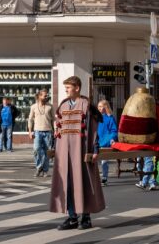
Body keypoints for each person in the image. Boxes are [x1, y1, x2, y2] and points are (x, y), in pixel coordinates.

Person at [50, 76, 105, 230]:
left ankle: (86, 217)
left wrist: (95, 148)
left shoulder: (86, 105)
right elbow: (58, 127)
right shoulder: (63, 105)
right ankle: (72, 217)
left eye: (68, 87)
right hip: (63, 152)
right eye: (65, 87)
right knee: (67, 184)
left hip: (81, 150)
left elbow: (94, 129)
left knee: (84, 182)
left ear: (77, 88)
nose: (66, 90)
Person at [28, 89, 55, 178]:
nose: (46, 96)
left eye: (47, 95)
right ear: (39, 96)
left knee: (47, 152)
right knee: (36, 150)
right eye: (45, 95)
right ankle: (39, 167)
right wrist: (30, 131)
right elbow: (30, 119)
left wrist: (56, 130)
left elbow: (54, 120)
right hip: (37, 132)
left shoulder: (50, 106)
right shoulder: (33, 107)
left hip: (48, 131)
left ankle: (45, 170)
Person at [97, 100, 117, 186]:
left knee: (104, 162)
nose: (100, 108)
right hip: (96, 142)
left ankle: (104, 178)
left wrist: (111, 139)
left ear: (106, 107)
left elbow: (114, 131)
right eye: (99, 106)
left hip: (105, 143)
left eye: (101, 106)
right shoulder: (96, 117)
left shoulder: (110, 118)